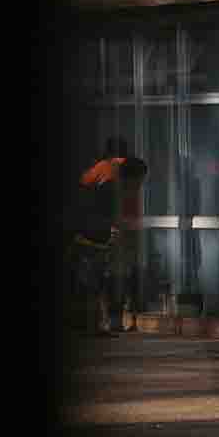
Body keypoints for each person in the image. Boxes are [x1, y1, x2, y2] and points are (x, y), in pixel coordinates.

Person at [70, 139, 148, 336]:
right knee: (94, 282)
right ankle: (93, 326)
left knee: (97, 282)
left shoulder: (108, 173)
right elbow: (94, 212)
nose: (139, 186)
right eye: (139, 181)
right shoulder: (110, 183)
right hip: (90, 237)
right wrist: (108, 231)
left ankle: (96, 325)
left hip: (96, 235)